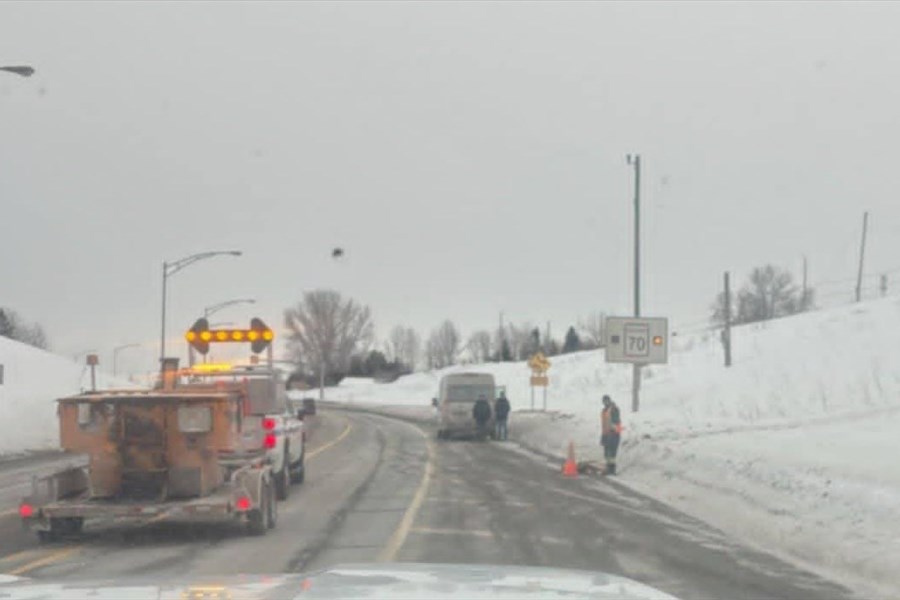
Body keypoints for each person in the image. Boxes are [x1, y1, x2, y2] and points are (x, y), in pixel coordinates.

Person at [600, 394, 622, 475]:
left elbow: (616, 421)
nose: (605, 403)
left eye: (606, 401)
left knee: (612, 452)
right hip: (606, 434)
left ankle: (612, 469)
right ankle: (608, 467)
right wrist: (603, 436)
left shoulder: (614, 409)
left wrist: (613, 429)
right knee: (606, 452)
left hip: (614, 434)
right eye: (604, 401)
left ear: (609, 400)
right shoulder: (604, 411)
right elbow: (604, 424)